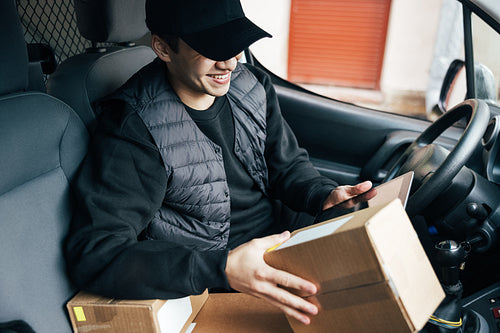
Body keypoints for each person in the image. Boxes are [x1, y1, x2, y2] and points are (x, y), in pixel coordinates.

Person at [65, 0, 374, 325]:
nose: (229, 62)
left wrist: (322, 194)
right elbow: (96, 251)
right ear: (163, 48)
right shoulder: (134, 127)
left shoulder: (252, 85)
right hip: (223, 280)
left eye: (234, 44)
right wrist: (221, 268)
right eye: (211, 48)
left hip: (287, 242)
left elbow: (286, 166)